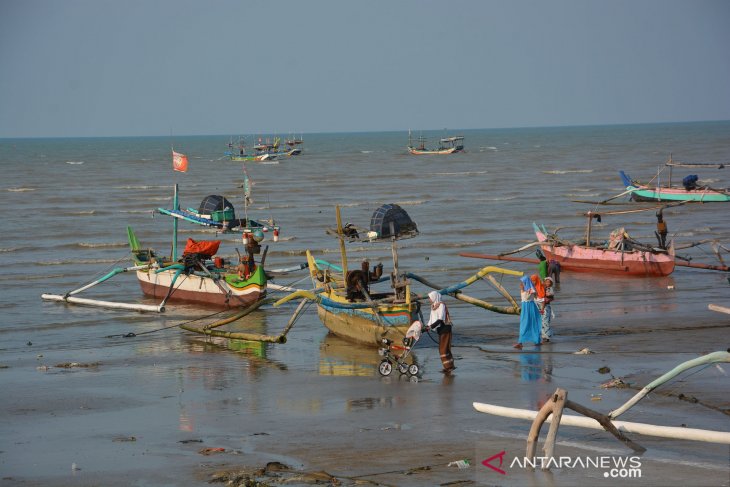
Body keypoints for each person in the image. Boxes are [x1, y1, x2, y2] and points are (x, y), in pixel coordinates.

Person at [426, 290, 455, 373]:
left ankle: (448, 367)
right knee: (444, 349)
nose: (429, 299)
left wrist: (430, 327)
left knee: (443, 349)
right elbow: (431, 320)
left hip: (445, 328)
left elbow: (440, 319)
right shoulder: (433, 306)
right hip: (440, 330)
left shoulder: (441, 305)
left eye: (430, 298)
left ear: (434, 297)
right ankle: (450, 366)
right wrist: (426, 327)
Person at [514, 275, 541, 349]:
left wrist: (522, 290)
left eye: (522, 282)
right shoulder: (528, 290)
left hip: (529, 307)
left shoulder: (531, 290)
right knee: (524, 324)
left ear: (526, 282)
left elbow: (527, 297)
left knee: (531, 324)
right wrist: (522, 290)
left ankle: (535, 341)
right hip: (526, 307)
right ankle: (521, 342)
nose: (521, 284)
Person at [541, 276, 555, 342]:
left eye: (549, 282)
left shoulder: (550, 288)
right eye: (546, 282)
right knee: (543, 322)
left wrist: (548, 296)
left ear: (551, 283)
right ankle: (544, 336)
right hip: (543, 306)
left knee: (546, 321)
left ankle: (547, 336)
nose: (547, 283)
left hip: (546, 307)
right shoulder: (544, 288)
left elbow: (552, 296)